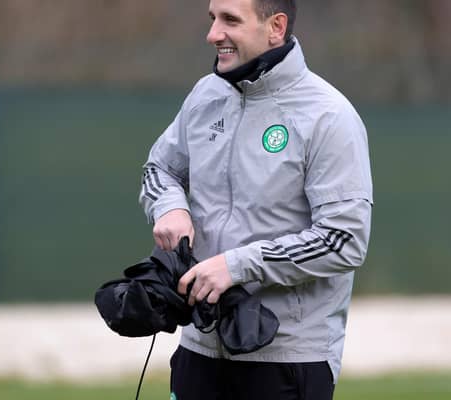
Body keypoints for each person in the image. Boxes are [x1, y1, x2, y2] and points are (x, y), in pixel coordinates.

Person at [139, 0, 373, 398]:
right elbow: (159, 169)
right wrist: (171, 207)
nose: (213, 34)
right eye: (213, 19)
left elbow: (345, 239)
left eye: (230, 20)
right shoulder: (205, 96)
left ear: (275, 27)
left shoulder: (329, 115)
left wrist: (237, 266)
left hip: (287, 359)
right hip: (199, 348)